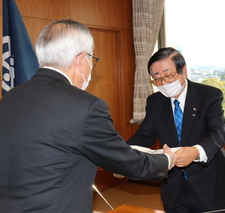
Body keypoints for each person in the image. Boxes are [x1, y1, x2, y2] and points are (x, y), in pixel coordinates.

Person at [0, 19, 176, 213]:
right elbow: (127, 163)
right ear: (80, 60)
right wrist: (167, 160)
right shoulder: (86, 106)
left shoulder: (10, 97)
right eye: (92, 59)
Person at [127, 47, 225, 213]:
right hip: (173, 186)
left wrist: (195, 151)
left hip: (210, 182)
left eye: (168, 75)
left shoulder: (209, 95)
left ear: (183, 70)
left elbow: (218, 133)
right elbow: (144, 136)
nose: (163, 83)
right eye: (157, 79)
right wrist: (122, 153)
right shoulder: (155, 101)